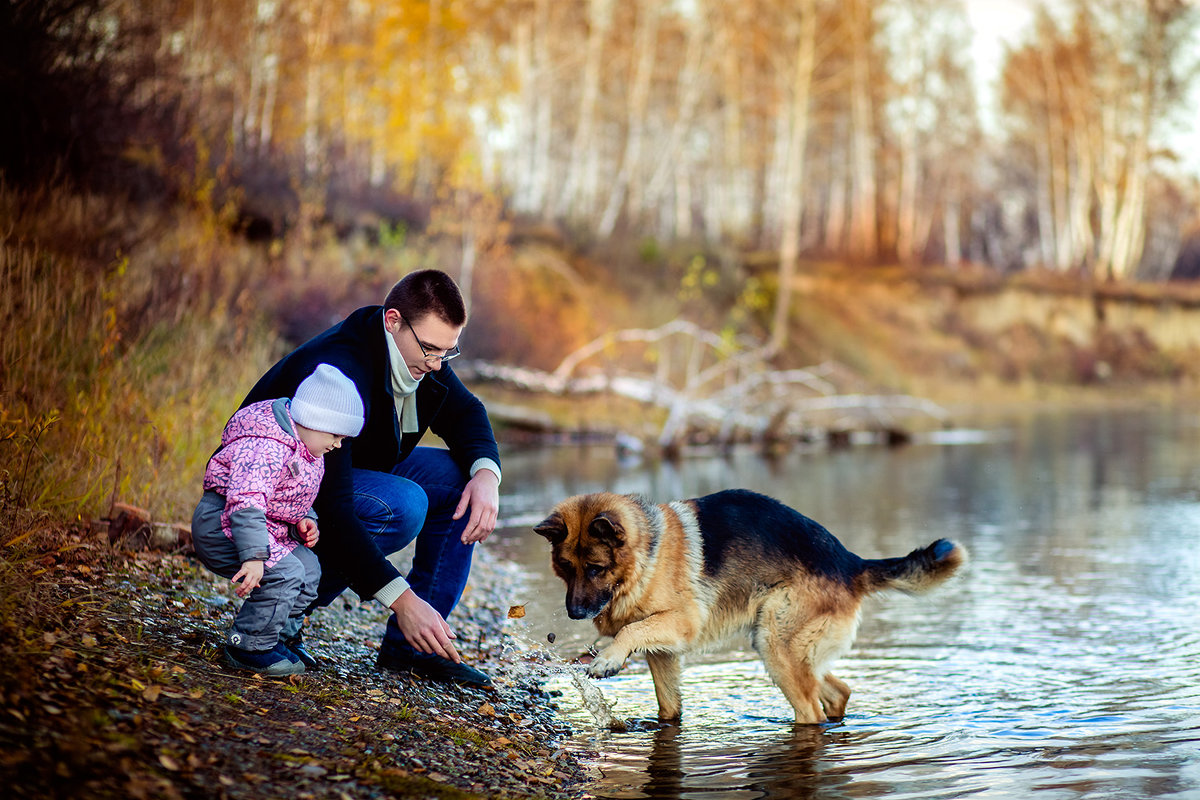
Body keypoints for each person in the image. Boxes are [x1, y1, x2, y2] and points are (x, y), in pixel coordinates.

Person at [239, 269, 501, 687]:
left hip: (338, 478)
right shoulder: (340, 371)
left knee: (459, 481)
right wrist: (400, 599)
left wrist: (487, 475)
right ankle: (283, 610)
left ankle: (414, 649)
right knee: (403, 505)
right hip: (268, 493)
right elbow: (334, 510)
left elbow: (468, 412)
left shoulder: (416, 356)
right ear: (393, 320)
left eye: (447, 353)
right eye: (431, 350)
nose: (436, 365)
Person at [192, 363, 365, 676]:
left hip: (265, 527)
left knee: (309, 570)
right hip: (224, 522)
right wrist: (255, 557)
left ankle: (276, 637)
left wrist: (304, 518)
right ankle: (247, 645)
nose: (338, 444)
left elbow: (290, 495)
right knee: (284, 573)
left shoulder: (307, 450)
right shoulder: (267, 445)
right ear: (313, 420)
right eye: (336, 435)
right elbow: (246, 499)